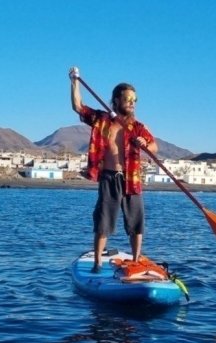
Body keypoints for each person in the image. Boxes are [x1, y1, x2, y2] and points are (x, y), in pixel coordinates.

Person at [69, 67, 158, 273]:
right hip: (109, 178)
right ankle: (98, 263)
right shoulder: (101, 119)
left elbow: (154, 147)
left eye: (135, 100)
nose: (132, 103)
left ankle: (135, 260)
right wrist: (74, 82)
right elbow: (78, 107)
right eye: (128, 99)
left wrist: (144, 143)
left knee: (136, 221)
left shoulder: (137, 127)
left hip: (132, 178)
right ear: (116, 100)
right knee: (103, 221)